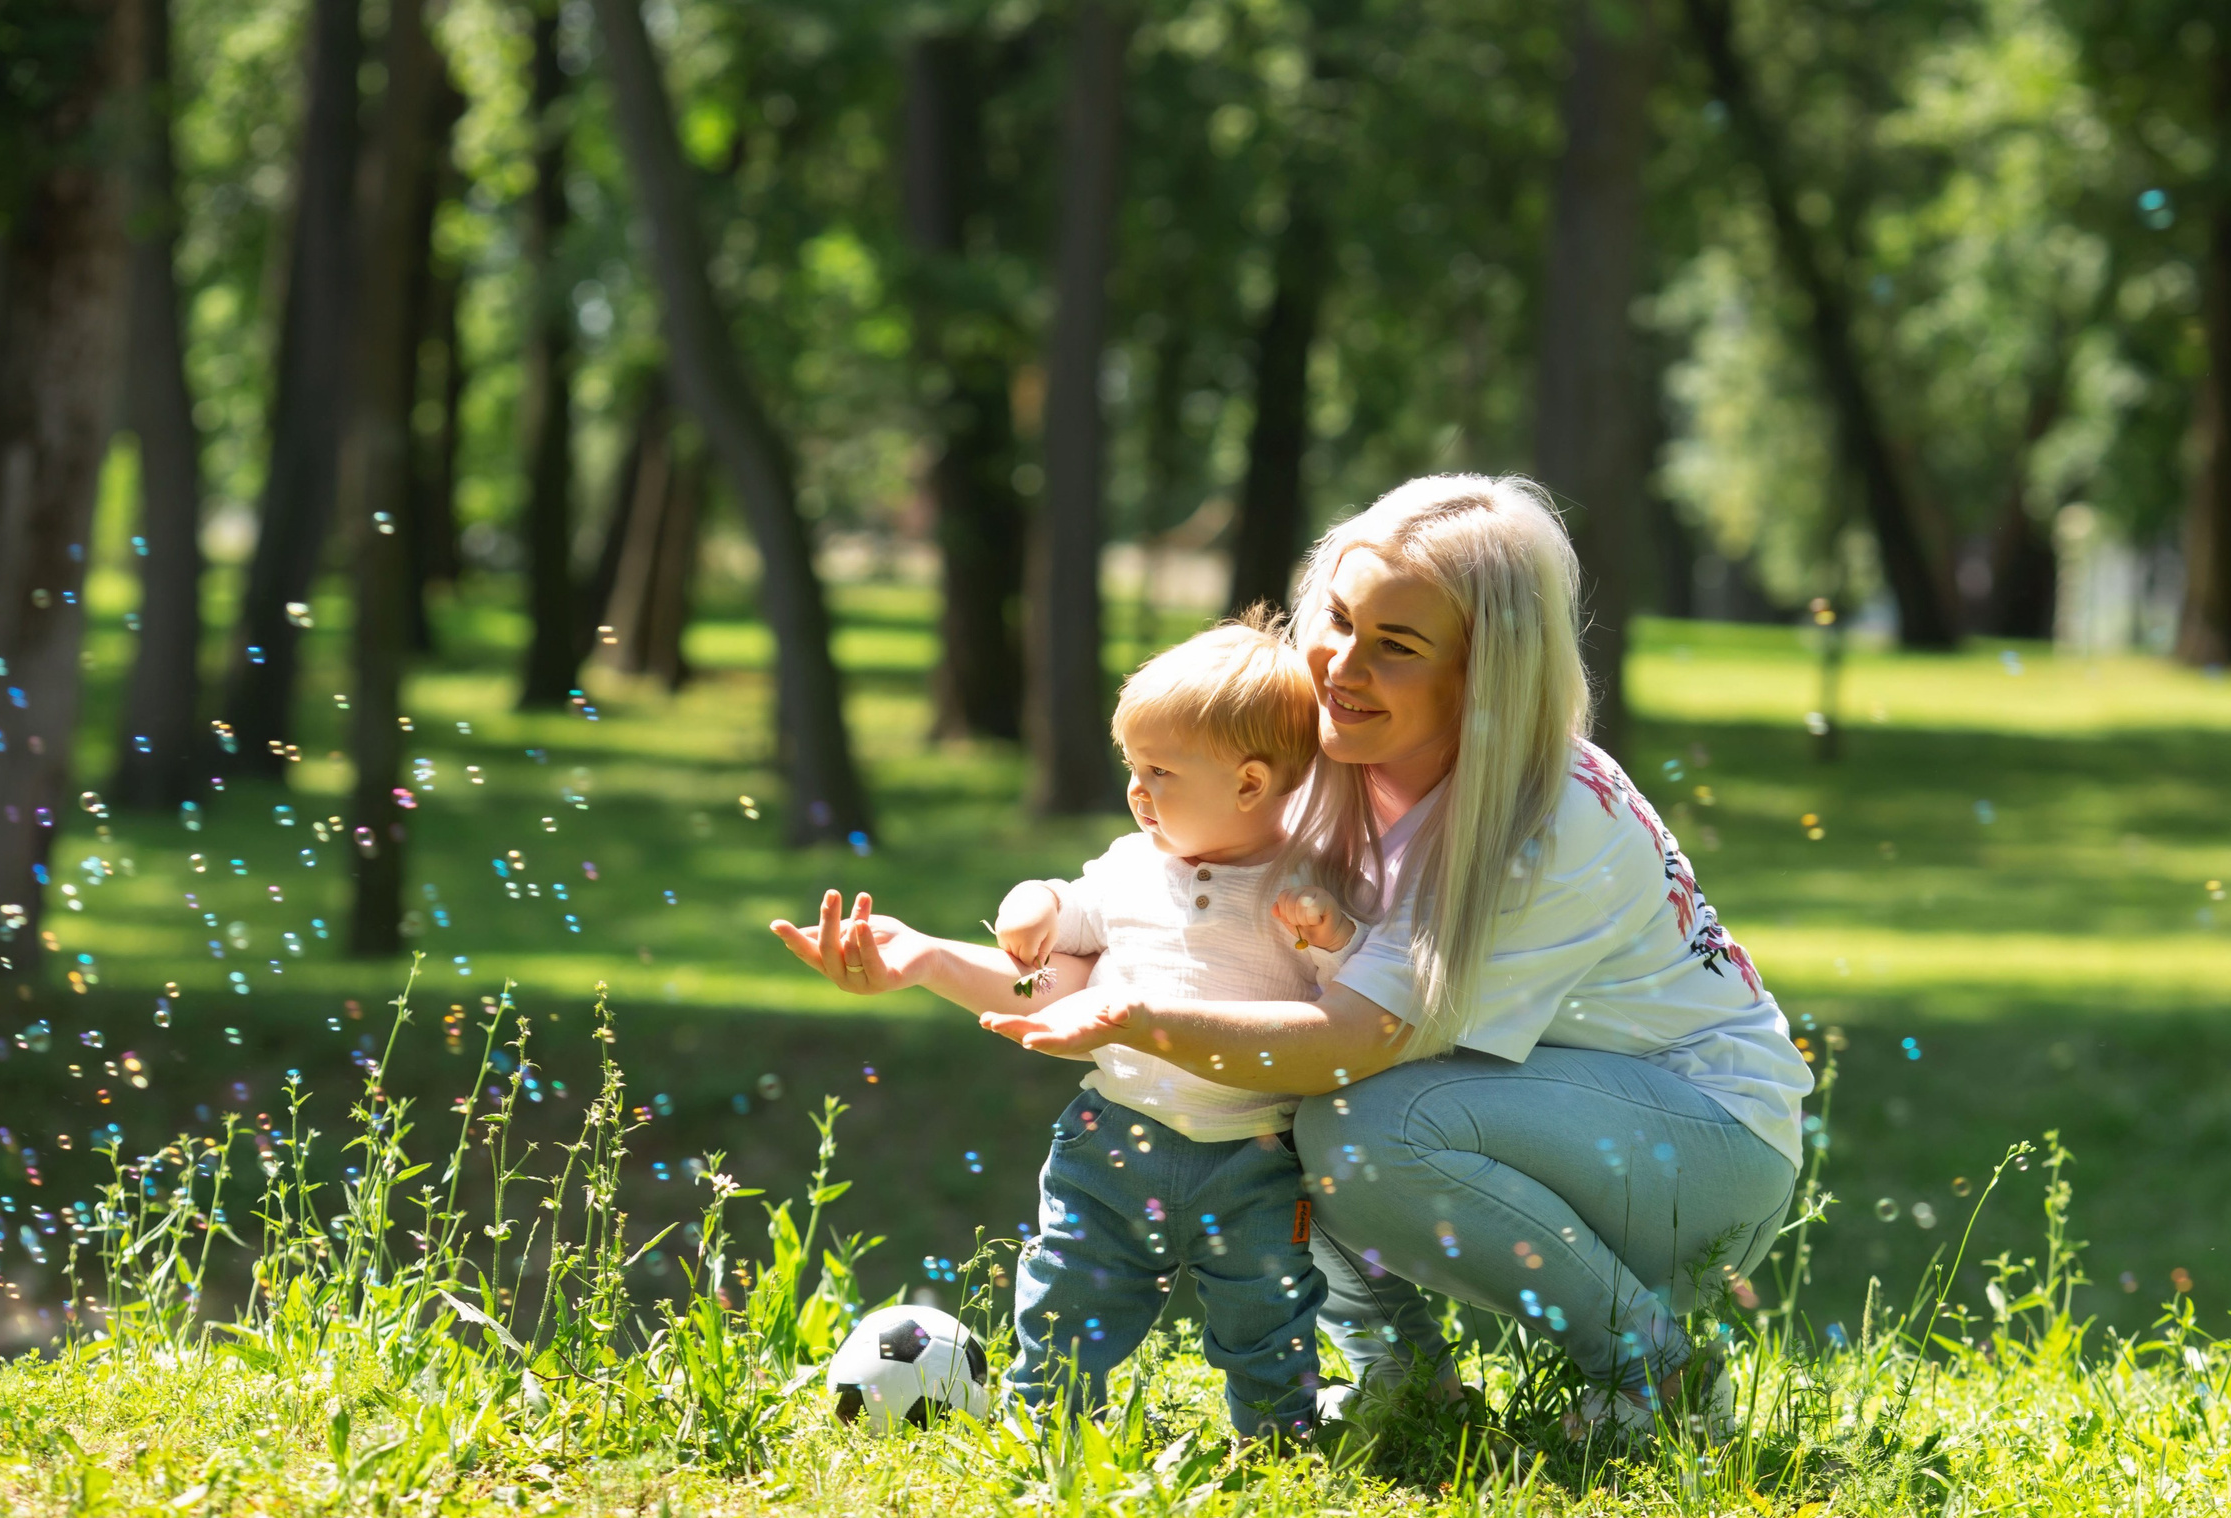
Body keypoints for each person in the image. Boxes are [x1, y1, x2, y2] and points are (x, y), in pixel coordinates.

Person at [985, 474, 1813, 1437]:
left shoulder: (1545, 817)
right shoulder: (1334, 763)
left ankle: (1659, 1376)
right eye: (1338, 619)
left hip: (1706, 1157)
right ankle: (1409, 1387)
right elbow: (1172, 942)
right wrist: (932, 959)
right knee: (1295, 1099)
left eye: (1397, 645)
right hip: (1567, 1121)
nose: (1342, 664)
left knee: (1356, 1120)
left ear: (1484, 672)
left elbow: (1345, 1042)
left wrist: (1143, 1023)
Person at [771, 615, 1362, 1438]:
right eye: (1133, 767)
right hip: (1114, 1140)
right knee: (1066, 1292)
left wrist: (1334, 935)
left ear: (1250, 783)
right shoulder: (1128, 868)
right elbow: (1052, 954)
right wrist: (1030, 903)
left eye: (1159, 771)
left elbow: (1353, 1009)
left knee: (1266, 1311)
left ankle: (1276, 1433)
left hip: (1255, 1158)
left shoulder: (1308, 884)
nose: (1137, 790)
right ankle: (1046, 1424)